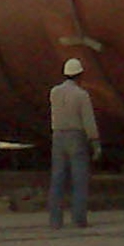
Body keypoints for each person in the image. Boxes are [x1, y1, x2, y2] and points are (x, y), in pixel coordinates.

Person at [48, 57, 97, 229]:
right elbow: (88, 120)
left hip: (58, 136)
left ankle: (55, 220)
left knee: (57, 178)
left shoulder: (54, 92)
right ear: (80, 75)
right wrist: (94, 141)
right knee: (79, 179)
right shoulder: (81, 95)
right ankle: (79, 219)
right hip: (76, 136)